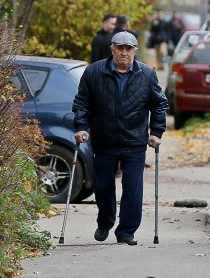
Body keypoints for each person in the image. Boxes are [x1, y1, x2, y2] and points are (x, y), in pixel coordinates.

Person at [72, 31, 169, 246]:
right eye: (119, 48)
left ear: (135, 51)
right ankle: (105, 221)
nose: (123, 53)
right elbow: (82, 103)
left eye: (128, 49)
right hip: (104, 140)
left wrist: (156, 132)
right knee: (102, 186)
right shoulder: (94, 72)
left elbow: (159, 104)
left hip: (134, 140)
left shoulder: (147, 74)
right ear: (112, 50)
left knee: (133, 188)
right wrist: (81, 127)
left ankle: (126, 231)